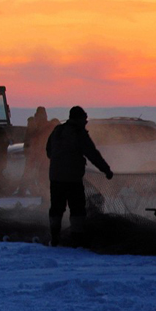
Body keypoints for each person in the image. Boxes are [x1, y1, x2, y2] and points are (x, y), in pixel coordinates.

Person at [46, 106, 113, 247]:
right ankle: (77, 239)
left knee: (56, 208)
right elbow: (92, 154)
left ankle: (55, 238)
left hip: (55, 177)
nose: (86, 121)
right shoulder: (79, 133)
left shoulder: (57, 130)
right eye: (84, 118)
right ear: (79, 118)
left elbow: (48, 151)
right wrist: (106, 170)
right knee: (77, 208)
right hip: (72, 178)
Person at [16, 107, 60, 196]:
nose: (36, 120)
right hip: (42, 160)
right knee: (42, 180)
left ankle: (47, 200)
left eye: (38, 117)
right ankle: (45, 200)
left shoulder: (45, 129)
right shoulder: (38, 130)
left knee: (45, 180)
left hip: (46, 160)